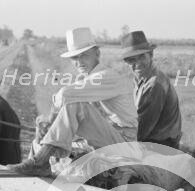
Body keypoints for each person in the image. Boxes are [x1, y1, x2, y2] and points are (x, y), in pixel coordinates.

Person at [11, 27, 137, 176]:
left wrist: (50, 118)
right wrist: (48, 125)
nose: (79, 62)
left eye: (84, 55)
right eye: (75, 58)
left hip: (125, 142)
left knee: (76, 105)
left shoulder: (106, 76)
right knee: (44, 137)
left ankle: (39, 162)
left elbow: (65, 95)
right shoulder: (89, 78)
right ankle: (36, 163)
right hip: (112, 136)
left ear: (97, 54)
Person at [121, 31, 182, 149]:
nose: (137, 63)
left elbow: (142, 129)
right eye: (131, 60)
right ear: (127, 62)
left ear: (151, 54)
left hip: (160, 148)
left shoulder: (154, 84)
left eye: (141, 57)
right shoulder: (141, 79)